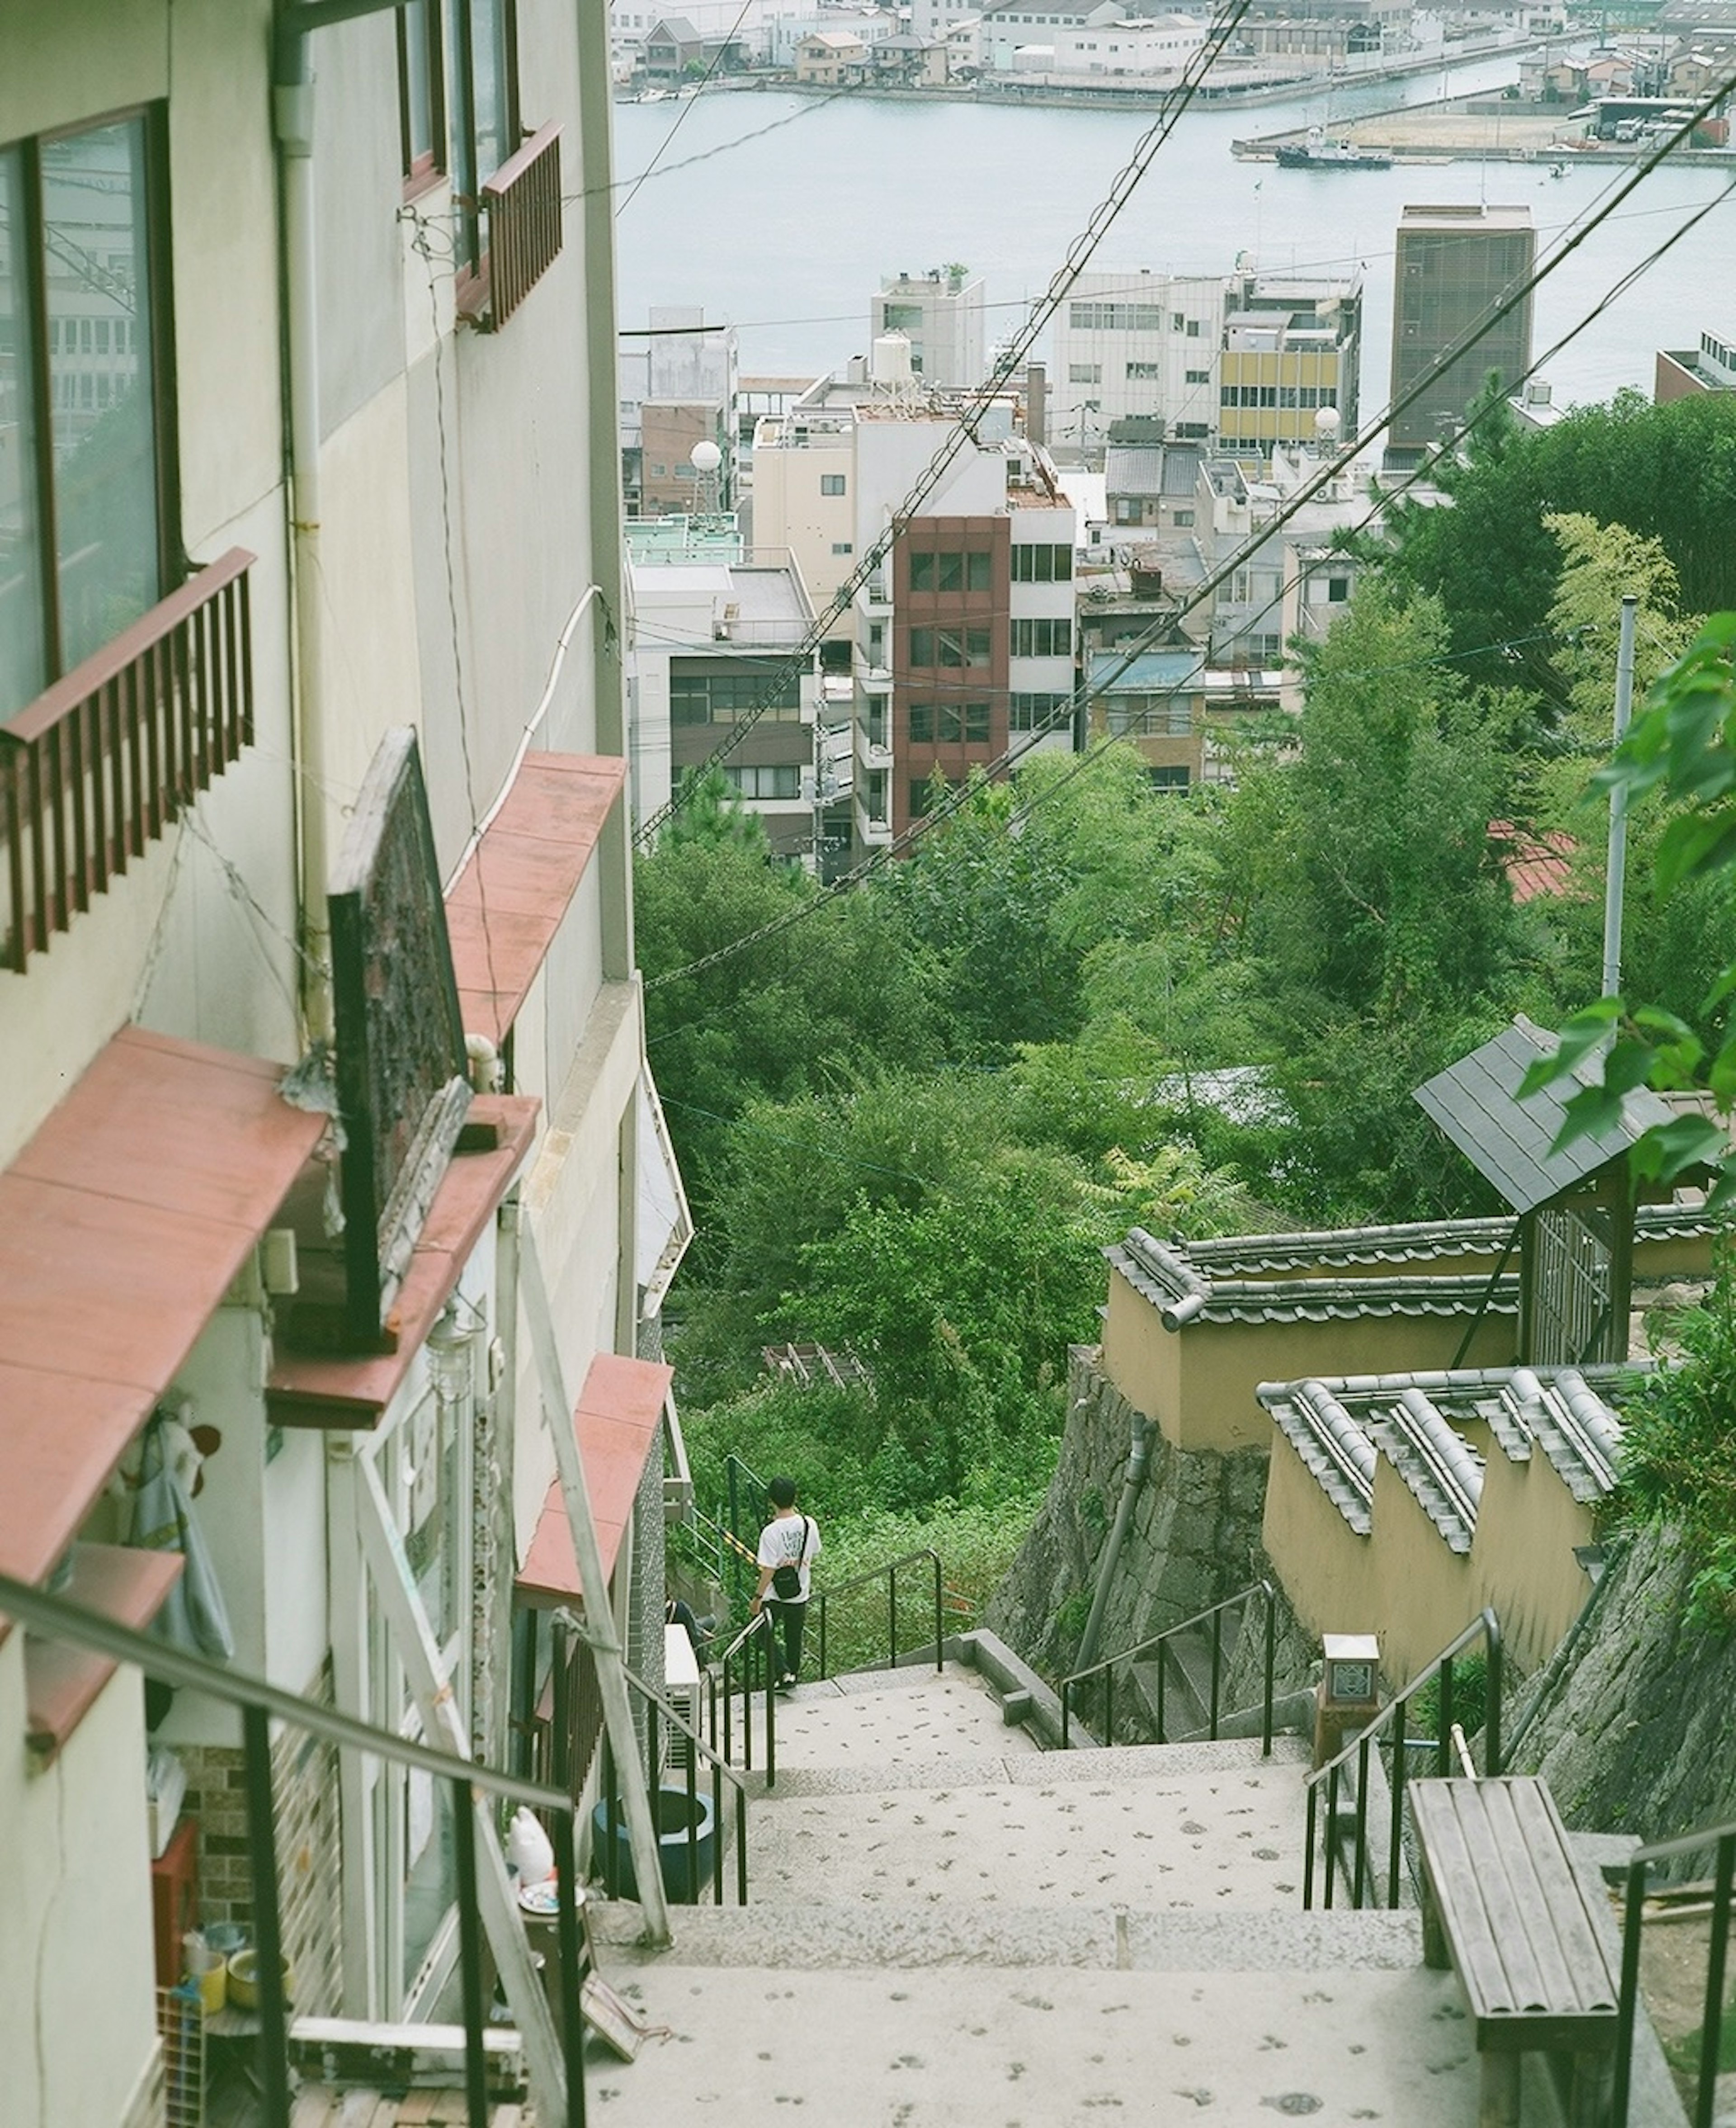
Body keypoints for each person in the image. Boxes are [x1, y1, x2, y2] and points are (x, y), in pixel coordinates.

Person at [750, 1476, 820, 1691]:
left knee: (762, 1633)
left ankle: (783, 1672)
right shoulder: (809, 1524)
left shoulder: (771, 1532)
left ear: (771, 1500)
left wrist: (757, 1598)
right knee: (794, 1636)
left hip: (774, 1594)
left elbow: (769, 1569)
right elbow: (815, 1551)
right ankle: (792, 1675)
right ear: (795, 1497)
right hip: (800, 1590)